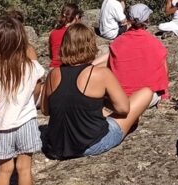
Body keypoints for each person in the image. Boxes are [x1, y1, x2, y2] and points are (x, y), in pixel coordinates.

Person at [41, 23, 154, 159]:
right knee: (146, 93)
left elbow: (45, 110)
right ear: (90, 45)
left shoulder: (53, 74)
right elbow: (124, 109)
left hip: (57, 146)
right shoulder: (100, 73)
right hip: (91, 143)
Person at [0, 16, 46, 185]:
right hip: (27, 122)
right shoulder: (30, 66)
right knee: (24, 169)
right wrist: (31, 100)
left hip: (3, 126)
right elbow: (39, 84)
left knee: (4, 170)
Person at [108, 4, 170, 107]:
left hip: (120, 98)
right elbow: (164, 71)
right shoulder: (155, 43)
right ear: (147, 21)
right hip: (146, 99)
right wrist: (164, 94)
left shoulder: (117, 43)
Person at [49, 3, 82, 68]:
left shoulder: (53, 33)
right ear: (77, 16)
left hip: (53, 68)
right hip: (68, 68)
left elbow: (52, 54)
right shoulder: (76, 32)